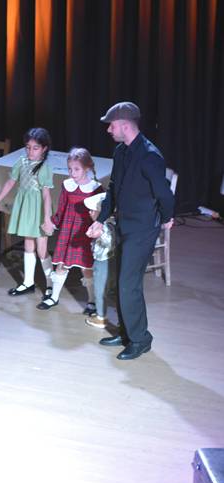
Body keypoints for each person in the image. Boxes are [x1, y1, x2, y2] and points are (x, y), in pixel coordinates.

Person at [87, 102, 175, 360]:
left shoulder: (149, 156)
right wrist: (101, 219)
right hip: (124, 224)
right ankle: (126, 333)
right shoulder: (121, 151)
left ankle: (140, 339)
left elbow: (164, 194)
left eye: (111, 125)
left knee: (129, 284)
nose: (108, 130)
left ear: (125, 125)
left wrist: (168, 218)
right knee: (122, 282)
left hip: (143, 228)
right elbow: (113, 188)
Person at [37, 148, 104, 310]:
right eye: (70, 169)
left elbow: (99, 213)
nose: (72, 173)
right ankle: (54, 297)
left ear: (86, 168)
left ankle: (92, 300)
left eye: (76, 169)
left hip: (84, 233)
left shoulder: (95, 188)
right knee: (62, 265)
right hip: (68, 232)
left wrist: (97, 227)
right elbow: (61, 209)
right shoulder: (67, 185)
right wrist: (52, 223)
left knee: (86, 268)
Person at [0, 128, 55, 297]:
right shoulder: (21, 161)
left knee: (42, 249)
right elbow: (10, 183)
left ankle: (50, 284)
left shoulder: (44, 167)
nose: (30, 151)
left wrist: (47, 218)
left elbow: (46, 195)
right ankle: (28, 282)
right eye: (28, 147)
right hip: (26, 208)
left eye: (35, 148)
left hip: (39, 210)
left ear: (44, 149)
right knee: (28, 244)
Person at [83, 192, 116, 329]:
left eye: (92, 210)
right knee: (106, 288)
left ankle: (101, 317)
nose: (90, 212)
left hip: (104, 261)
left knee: (99, 289)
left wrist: (99, 233)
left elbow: (108, 240)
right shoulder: (112, 224)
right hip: (107, 261)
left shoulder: (105, 226)